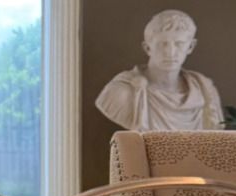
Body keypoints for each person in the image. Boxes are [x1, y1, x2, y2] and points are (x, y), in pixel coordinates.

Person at [94, 9, 224, 130]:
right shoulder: (122, 92)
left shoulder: (205, 91)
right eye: (163, 44)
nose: (171, 52)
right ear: (147, 48)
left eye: (179, 44)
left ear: (191, 46)